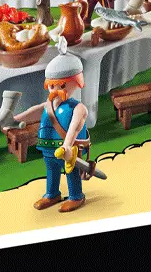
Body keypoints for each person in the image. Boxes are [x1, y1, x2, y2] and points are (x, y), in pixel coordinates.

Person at [8, 52, 92, 212]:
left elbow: (75, 127)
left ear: (76, 82)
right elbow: (34, 112)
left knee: (71, 171)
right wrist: (14, 120)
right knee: (51, 170)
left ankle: (76, 196)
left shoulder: (78, 108)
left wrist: (67, 146)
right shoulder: (49, 105)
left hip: (67, 149)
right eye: (52, 86)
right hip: (48, 148)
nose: (56, 90)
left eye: (62, 85)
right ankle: (52, 194)